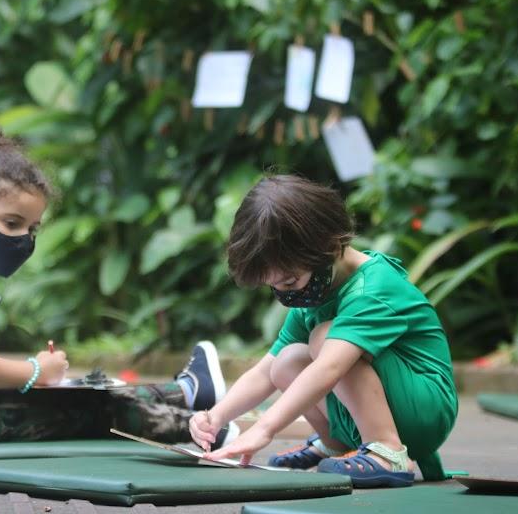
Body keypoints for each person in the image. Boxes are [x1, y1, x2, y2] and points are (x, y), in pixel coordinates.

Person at [0, 119, 234, 445]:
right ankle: (196, 429)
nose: (24, 238)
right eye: (12, 223)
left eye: (32, 228)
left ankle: (188, 392)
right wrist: (35, 371)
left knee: (67, 391)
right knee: (85, 406)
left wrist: (36, 376)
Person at [189, 174, 457, 487]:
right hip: (384, 408)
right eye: (273, 286)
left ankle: (387, 451)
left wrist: (265, 429)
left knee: (323, 339)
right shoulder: (315, 292)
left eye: (288, 282)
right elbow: (265, 372)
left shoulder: (372, 288)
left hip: (424, 411)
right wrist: (216, 417)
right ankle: (338, 446)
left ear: (329, 247)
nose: (285, 293)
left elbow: (330, 367)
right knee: (286, 361)